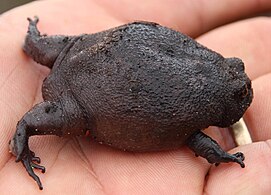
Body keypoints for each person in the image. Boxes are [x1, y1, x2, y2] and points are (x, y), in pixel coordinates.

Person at [0, 0, 271, 193]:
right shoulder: (196, 117)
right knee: (66, 112)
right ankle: (21, 139)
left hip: (80, 53)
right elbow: (205, 147)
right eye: (240, 92)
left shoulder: (202, 74)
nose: (244, 85)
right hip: (79, 98)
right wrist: (225, 157)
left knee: (58, 49)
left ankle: (33, 41)